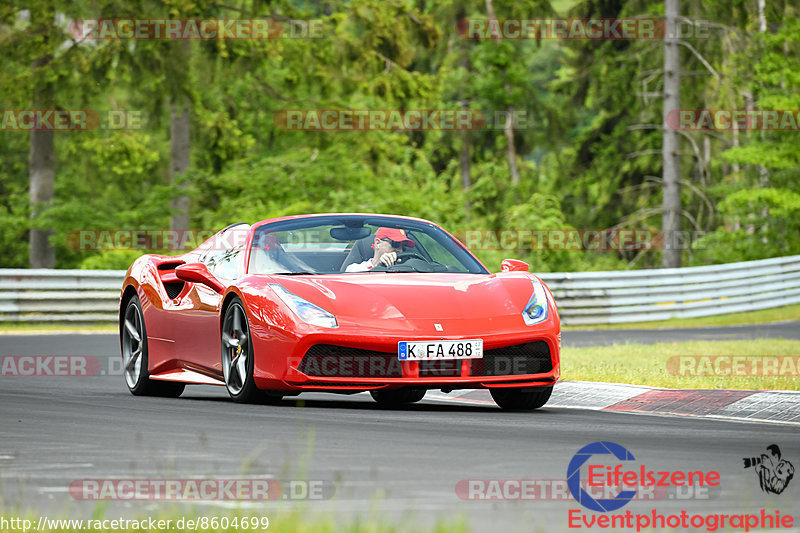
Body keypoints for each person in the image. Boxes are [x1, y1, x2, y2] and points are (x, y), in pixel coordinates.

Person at [345, 228, 415, 272]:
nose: (400, 250)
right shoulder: (354, 269)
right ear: (378, 243)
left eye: (403, 246)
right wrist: (378, 268)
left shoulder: (407, 269)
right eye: (395, 244)